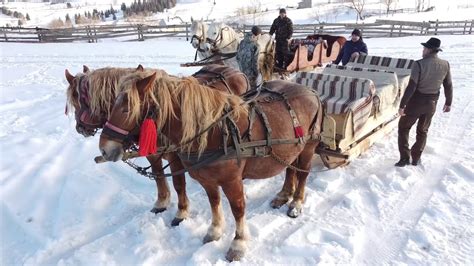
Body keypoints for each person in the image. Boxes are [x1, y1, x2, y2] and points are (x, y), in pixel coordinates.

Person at [395, 37, 453, 167]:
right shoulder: (445, 64)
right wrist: (448, 102)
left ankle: (404, 158)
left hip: (416, 103)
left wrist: (402, 105)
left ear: (429, 50)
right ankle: (415, 158)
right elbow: (448, 85)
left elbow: (412, 86)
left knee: (403, 128)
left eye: (425, 48)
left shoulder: (419, 64)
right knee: (423, 131)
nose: (423, 50)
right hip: (431, 103)